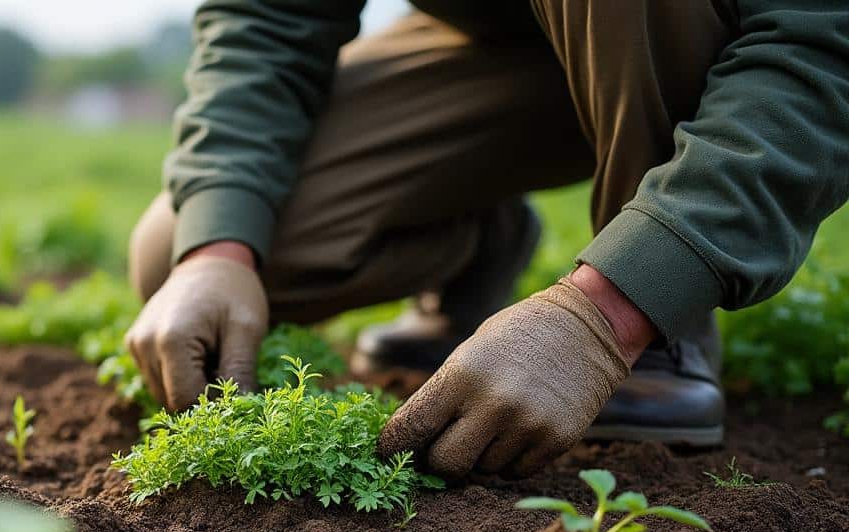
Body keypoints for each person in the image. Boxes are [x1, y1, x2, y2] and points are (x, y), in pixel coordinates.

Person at [124, 0, 849, 479]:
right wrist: (216, 247)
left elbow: (824, 46)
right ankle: (478, 243)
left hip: (695, 38)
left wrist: (610, 310)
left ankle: (660, 324)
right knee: (176, 248)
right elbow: (267, 20)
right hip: (496, 51)